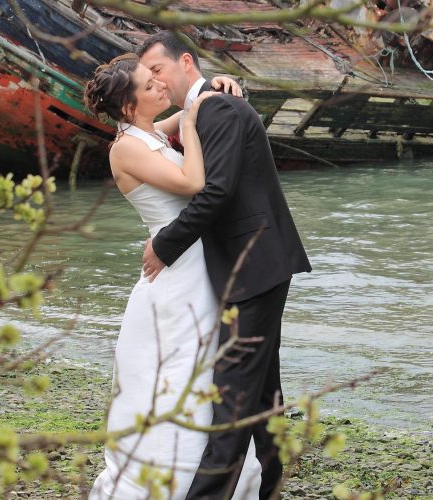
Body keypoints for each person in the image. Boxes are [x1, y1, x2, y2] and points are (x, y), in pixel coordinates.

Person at [137, 32, 312, 499]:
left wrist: (164, 245)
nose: (155, 80)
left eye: (158, 70)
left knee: (231, 395)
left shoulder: (217, 108)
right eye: (146, 76)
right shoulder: (205, 108)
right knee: (260, 394)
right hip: (255, 264)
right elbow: (162, 132)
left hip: (254, 265)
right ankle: (271, 486)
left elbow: (217, 191)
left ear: (185, 62)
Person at [84, 53, 262, 499]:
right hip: (176, 271)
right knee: (183, 371)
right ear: (129, 107)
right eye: (150, 85)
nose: (161, 86)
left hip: (192, 264)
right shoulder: (125, 147)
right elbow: (192, 182)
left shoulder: (144, 133)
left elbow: (190, 106)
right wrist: (188, 126)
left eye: (156, 78)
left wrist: (214, 85)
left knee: (204, 367)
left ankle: (218, 469)